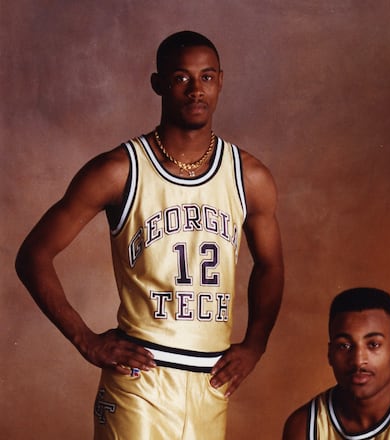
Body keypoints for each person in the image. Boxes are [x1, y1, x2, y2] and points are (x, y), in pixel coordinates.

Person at [15, 30, 284, 439]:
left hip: (210, 383)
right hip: (140, 381)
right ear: (158, 84)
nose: (196, 90)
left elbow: (270, 265)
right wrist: (85, 340)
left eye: (207, 77)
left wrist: (256, 344)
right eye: (181, 78)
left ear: (220, 81)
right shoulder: (119, 170)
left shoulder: (249, 176)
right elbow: (33, 255)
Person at [282, 287, 390, 439]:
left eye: (373, 344)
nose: (358, 360)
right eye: (344, 346)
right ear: (330, 354)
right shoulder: (305, 426)